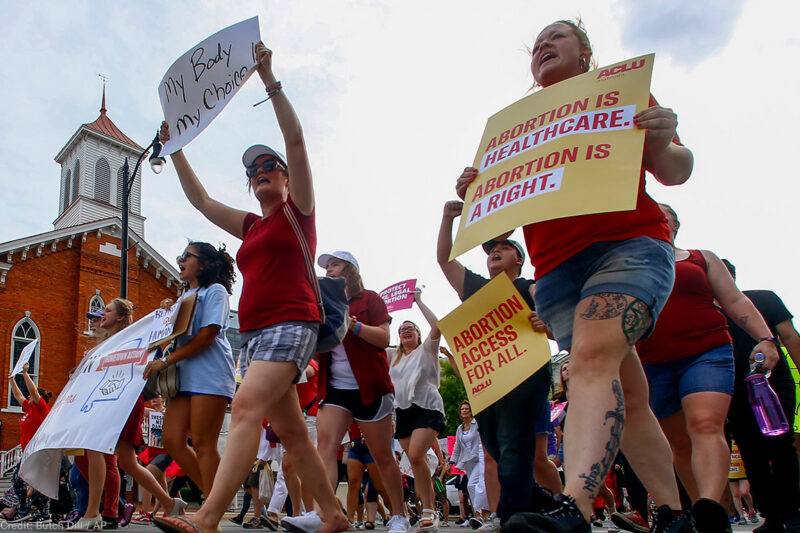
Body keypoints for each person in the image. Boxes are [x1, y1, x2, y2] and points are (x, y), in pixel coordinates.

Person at [455, 18, 696, 533]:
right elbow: (497, 226)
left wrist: (662, 138)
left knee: (587, 361)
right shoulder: (520, 132)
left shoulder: (619, 93)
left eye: (555, 38)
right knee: (626, 392)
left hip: (627, 248)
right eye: (536, 45)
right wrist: (478, 194)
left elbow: (676, 170)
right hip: (557, 274)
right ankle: (676, 515)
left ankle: (576, 508)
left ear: (584, 52)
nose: (542, 47)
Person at [152, 42, 347, 533]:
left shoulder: (298, 212)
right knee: (291, 434)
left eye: (268, 167)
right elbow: (201, 200)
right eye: (252, 172)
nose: (260, 174)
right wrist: (175, 149)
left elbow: (296, 141)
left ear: (286, 178)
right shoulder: (252, 226)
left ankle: (208, 517)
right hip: (258, 336)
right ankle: (334, 516)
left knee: (243, 409)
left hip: (292, 323)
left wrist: (268, 79)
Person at [634, 204, 780, 532]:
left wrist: (766, 338)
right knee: (680, 443)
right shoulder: (627, 264)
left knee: (705, 424)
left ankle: (711, 509)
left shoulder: (702, 258)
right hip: (651, 361)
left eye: (662, 213)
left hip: (707, 351)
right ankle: (705, 514)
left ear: (675, 224)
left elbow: (735, 300)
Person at [437, 207, 556, 530]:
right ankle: (541, 504)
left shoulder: (530, 287)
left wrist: (546, 324)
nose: (495, 252)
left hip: (524, 376)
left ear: (519, 259)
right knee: (497, 446)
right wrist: (448, 218)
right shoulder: (476, 289)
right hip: (488, 382)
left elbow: (556, 323)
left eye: (504, 248)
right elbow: (445, 261)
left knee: (514, 443)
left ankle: (511, 515)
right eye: (491, 250)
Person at [290, 251, 409, 533]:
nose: (329, 270)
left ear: (351, 270)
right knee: (325, 448)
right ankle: (322, 512)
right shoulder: (322, 305)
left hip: (371, 388)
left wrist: (353, 324)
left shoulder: (370, 299)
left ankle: (399, 515)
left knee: (382, 455)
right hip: (335, 389)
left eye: (335, 264)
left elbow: (383, 338)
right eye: (327, 266)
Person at [70, 299, 187, 531]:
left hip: (125, 402)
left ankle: (94, 512)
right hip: (110, 401)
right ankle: (168, 502)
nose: (102, 314)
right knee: (127, 462)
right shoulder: (106, 345)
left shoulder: (136, 338)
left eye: (108, 311)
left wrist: (166, 309)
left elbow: (158, 346)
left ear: (121, 317)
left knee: (97, 449)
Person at [143, 241, 237, 497]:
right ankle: (215, 497)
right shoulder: (183, 296)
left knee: (204, 442)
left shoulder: (215, 291)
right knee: (172, 440)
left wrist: (165, 361)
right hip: (184, 377)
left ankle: (213, 504)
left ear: (204, 264)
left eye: (187, 256)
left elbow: (208, 336)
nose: (180, 260)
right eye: (181, 256)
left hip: (210, 374)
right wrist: (168, 312)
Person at [721, 259, 800, 533]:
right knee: (751, 452)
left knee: (782, 446)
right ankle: (771, 517)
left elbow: (791, 337)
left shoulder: (764, 300)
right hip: (733, 391)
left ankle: (793, 513)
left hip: (774, 386)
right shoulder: (707, 314)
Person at [387, 290, 446, 531]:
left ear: (419, 334)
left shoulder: (427, 350)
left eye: (411, 328)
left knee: (415, 455)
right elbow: (372, 346)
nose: (406, 330)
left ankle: (430, 511)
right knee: (416, 461)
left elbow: (438, 326)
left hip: (428, 407)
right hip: (403, 412)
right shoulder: (392, 355)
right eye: (402, 329)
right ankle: (428, 512)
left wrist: (418, 300)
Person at [6, 362, 52, 522]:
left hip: (38, 451)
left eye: (30, 397)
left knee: (17, 479)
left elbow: (33, 391)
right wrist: (12, 380)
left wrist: (25, 373)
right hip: (28, 452)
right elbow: (18, 396)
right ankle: (43, 514)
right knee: (36, 481)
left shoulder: (41, 408)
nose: (27, 398)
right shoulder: (29, 408)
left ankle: (24, 509)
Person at [449, 402, 490, 527]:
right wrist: (451, 462)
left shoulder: (476, 424)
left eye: (466, 408)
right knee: (473, 487)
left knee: (472, 485)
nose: (464, 410)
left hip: (479, 458)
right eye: (462, 409)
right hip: (467, 462)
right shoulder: (460, 428)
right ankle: (480, 514)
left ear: (471, 411)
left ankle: (481, 513)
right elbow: (457, 447)